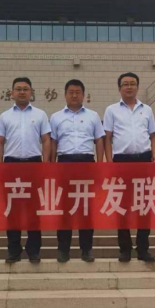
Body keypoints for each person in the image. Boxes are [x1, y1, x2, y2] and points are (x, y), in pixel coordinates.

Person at [103, 72, 155, 263]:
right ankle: (125, 249)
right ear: (119, 88)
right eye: (125, 84)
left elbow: (153, 135)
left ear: (137, 87)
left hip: (144, 160)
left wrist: (154, 153)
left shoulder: (147, 110)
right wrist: (109, 162)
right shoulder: (111, 110)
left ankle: (143, 249)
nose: (129, 87)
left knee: (144, 205)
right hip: (121, 161)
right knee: (122, 206)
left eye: (132, 84)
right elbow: (108, 138)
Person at [0, 77, 51, 264]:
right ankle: (14, 250)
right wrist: (0, 165)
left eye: (25, 89)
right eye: (18, 89)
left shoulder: (40, 114)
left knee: (33, 209)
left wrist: (45, 164)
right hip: (11, 165)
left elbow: (46, 140)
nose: (21, 92)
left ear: (31, 92)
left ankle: (33, 250)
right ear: (12, 93)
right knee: (13, 210)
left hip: (34, 164)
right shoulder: (5, 116)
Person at [50, 79, 104, 263]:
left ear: (83, 95)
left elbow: (99, 140)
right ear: (65, 94)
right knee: (65, 208)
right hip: (64, 163)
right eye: (71, 92)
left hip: (87, 163)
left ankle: (86, 249)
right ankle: (63, 249)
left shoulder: (93, 116)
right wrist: (51, 165)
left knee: (86, 209)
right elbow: (53, 142)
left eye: (78, 92)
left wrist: (100, 164)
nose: (74, 95)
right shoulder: (56, 117)